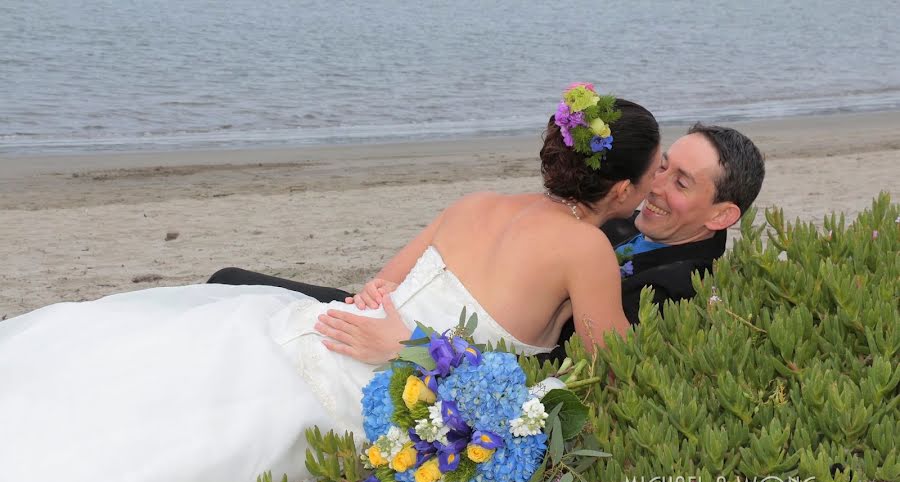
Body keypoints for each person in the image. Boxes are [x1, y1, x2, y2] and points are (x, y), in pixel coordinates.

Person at [0, 87, 660, 482]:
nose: (657, 184)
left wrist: (390, 326)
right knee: (181, 455)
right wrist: (417, 350)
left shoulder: (476, 203)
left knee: (160, 388)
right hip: (367, 387)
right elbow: (613, 367)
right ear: (623, 188)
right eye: (656, 172)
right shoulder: (587, 249)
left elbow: (380, 285)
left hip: (321, 333)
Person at [210, 124, 765, 363]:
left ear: (723, 215)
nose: (656, 189)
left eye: (681, 183)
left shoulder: (682, 288)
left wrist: (411, 346)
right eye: (662, 168)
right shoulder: (614, 220)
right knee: (230, 285)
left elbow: (567, 374)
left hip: (446, 356)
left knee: (254, 325)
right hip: (418, 312)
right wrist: (383, 290)